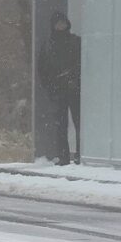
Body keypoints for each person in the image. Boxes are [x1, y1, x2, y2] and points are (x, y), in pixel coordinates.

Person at [37, 11, 81, 164]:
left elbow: (82, 64)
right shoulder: (48, 45)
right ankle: (63, 157)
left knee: (79, 123)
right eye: (58, 23)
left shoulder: (75, 42)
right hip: (57, 90)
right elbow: (42, 68)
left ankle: (81, 155)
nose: (61, 26)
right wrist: (49, 87)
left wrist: (75, 80)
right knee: (60, 126)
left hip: (75, 89)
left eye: (63, 22)